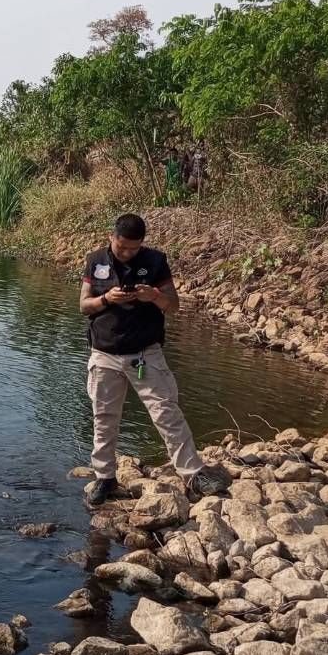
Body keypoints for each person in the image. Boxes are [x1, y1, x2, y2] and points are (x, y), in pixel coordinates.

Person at [79, 213, 227, 505]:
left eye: (134, 248)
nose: (127, 253)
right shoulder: (96, 260)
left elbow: (174, 306)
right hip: (104, 353)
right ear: (111, 238)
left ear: (142, 244)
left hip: (145, 354)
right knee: (104, 418)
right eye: (122, 247)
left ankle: (193, 473)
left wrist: (154, 296)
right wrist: (107, 299)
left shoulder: (156, 261)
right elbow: (84, 306)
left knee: (166, 412)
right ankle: (105, 477)